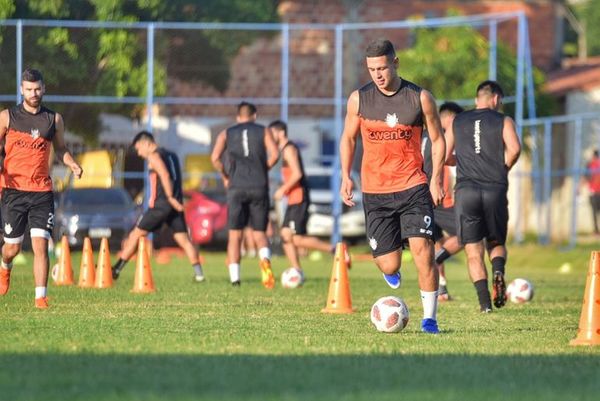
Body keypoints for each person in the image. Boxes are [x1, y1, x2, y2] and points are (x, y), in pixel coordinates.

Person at [339, 39, 445, 334]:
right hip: (376, 191)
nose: (378, 74)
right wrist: (345, 176)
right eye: (372, 69)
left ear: (395, 63)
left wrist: (436, 178)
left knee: (424, 249)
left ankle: (430, 319)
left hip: (413, 185)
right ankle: (392, 266)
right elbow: (348, 138)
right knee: (388, 265)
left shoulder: (420, 98)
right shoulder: (358, 100)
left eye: (383, 67)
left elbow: (437, 139)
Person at [0, 68, 83, 309]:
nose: (33, 93)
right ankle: (5, 268)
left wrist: (73, 163)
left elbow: (61, 149)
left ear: (44, 89)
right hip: (13, 190)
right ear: (21, 90)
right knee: (12, 248)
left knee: (40, 245)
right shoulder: (7, 117)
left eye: (37, 89)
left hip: (42, 191)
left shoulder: (53, 119)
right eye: (29, 89)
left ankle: (41, 297)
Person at [445, 80, 521, 312]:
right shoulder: (503, 120)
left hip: (466, 190)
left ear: (478, 98)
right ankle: (498, 271)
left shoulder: (458, 121)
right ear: (496, 99)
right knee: (496, 241)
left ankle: (485, 304)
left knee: (472, 250)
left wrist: (466, 163)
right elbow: (515, 149)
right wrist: (503, 167)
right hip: (494, 188)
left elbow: (446, 155)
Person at [111, 131, 205, 283]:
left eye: (139, 149)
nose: (140, 154)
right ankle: (200, 275)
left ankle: (115, 270)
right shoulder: (172, 155)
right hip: (175, 204)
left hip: (162, 205)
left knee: (135, 234)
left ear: (147, 143)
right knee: (183, 240)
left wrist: (169, 198)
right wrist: (175, 200)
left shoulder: (154, 156)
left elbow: (165, 175)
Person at [211, 102, 279, 288]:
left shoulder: (227, 133)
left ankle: (235, 279)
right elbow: (274, 154)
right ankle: (264, 262)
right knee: (259, 233)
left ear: (238, 117)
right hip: (258, 185)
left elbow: (215, 158)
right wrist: (263, 169)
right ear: (254, 115)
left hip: (236, 187)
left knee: (235, 235)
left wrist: (225, 175)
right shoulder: (264, 131)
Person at [269, 120, 351, 275]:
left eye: (271, 133)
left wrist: (282, 189)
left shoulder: (289, 149)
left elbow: (297, 174)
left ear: (280, 133)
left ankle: (336, 249)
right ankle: (296, 270)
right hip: (293, 198)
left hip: (298, 198)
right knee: (286, 236)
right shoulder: (284, 150)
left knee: (296, 239)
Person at [421, 102, 464, 301]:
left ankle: (441, 290)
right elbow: (445, 162)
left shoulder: (422, 134)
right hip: (437, 198)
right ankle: (438, 262)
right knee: (469, 233)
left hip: (419, 197)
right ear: (448, 118)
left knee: (435, 242)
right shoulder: (441, 137)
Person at [585, 150, 600, 235]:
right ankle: (596, 231)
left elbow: (588, 177)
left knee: (594, 212)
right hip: (595, 191)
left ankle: (596, 231)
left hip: (594, 192)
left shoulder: (591, 165)